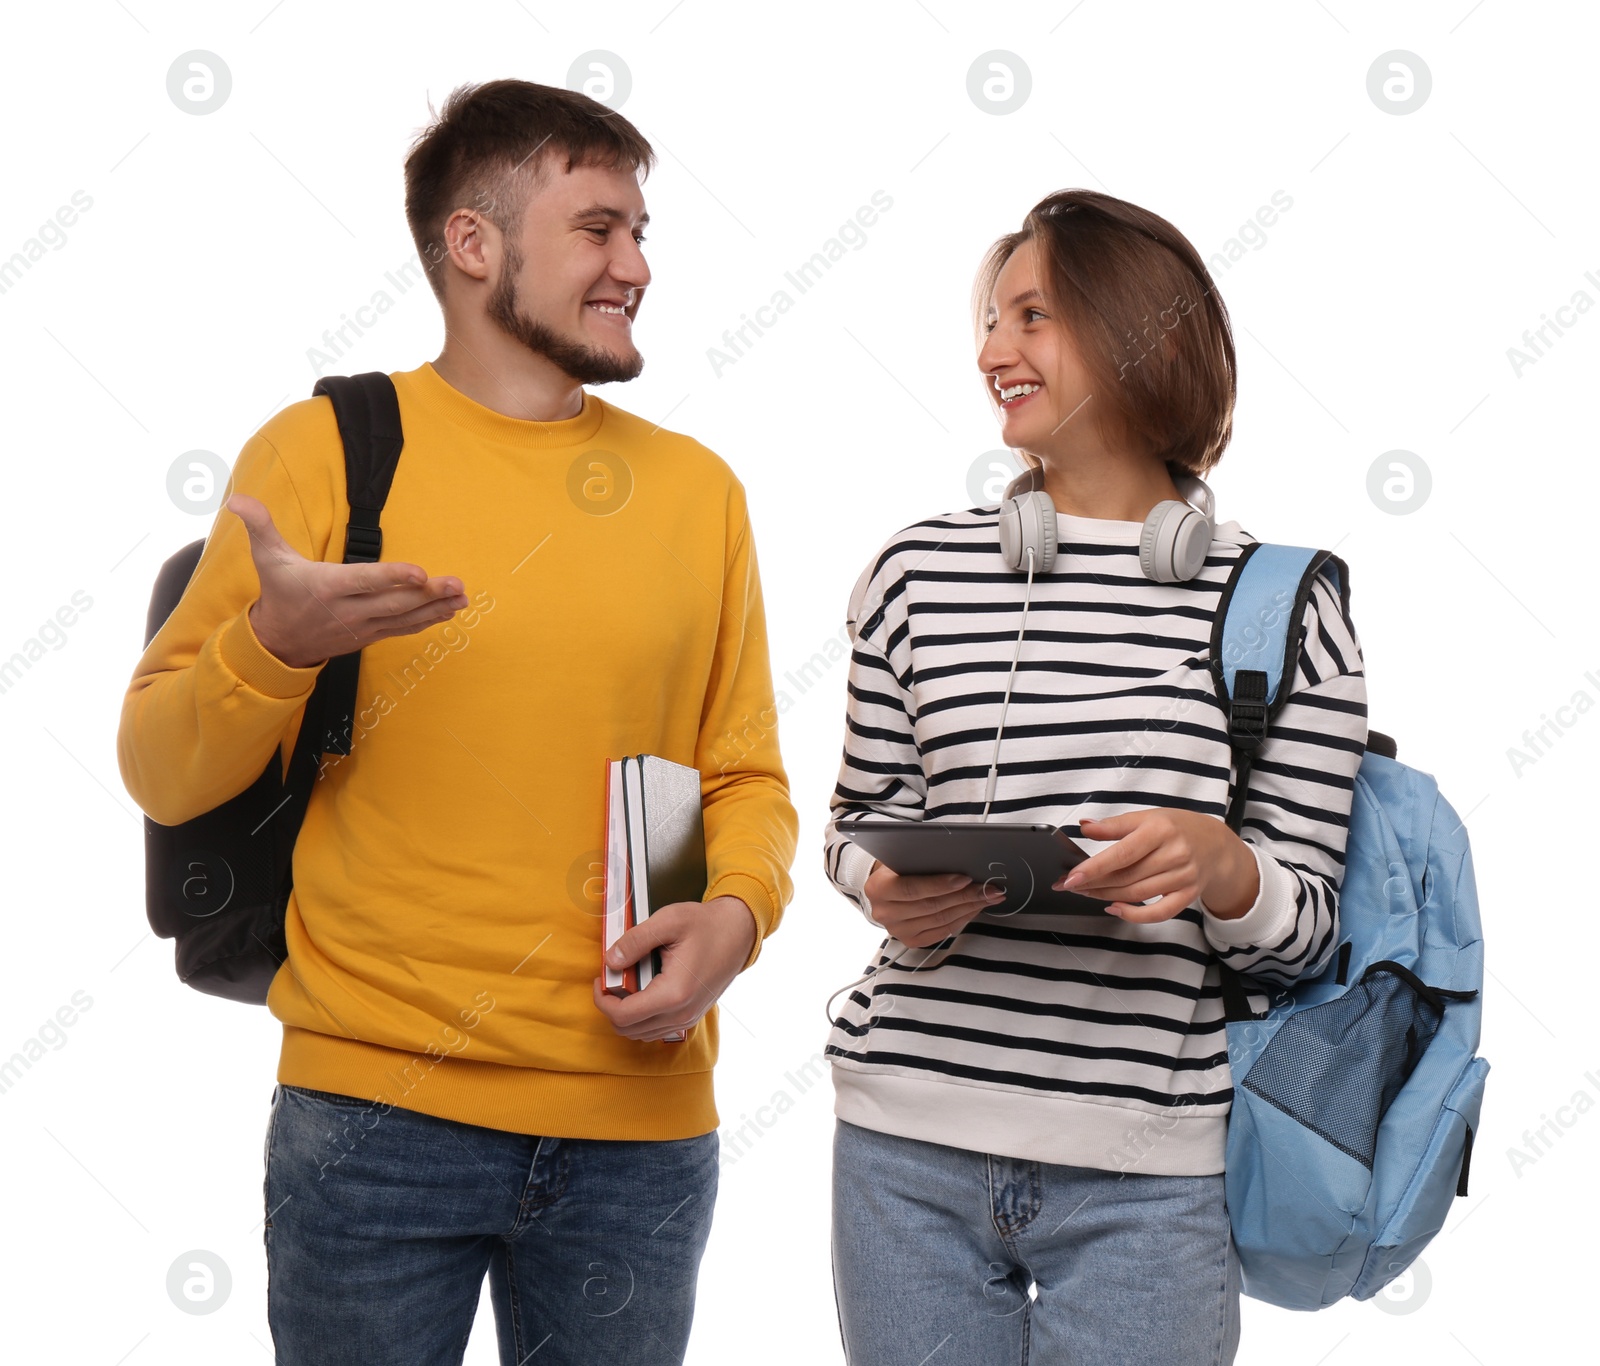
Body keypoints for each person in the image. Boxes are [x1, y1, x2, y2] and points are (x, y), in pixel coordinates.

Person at [117, 78, 798, 1366]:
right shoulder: (324, 451)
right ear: (474, 244)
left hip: (637, 1132)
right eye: (599, 230)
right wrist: (274, 646)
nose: (636, 266)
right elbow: (159, 767)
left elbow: (744, 776)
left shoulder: (697, 493)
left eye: (642, 233)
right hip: (371, 1118)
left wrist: (736, 916)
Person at [820, 189, 1368, 1365]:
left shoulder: (1280, 606)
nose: (988, 352)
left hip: (1147, 1174)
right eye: (986, 319)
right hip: (902, 1147)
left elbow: (1309, 932)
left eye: (1030, 315)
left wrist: (1225, 870)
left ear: (1137, 335)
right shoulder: (914, 574)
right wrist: (877, 880)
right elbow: (858, 821)